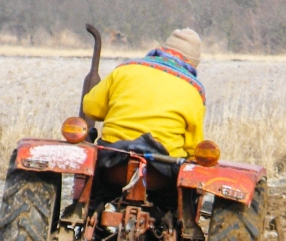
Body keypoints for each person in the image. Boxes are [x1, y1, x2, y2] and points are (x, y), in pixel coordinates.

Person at [81, 28, 205, 163]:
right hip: (163, 166)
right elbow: (193, 147)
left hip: (111, 157)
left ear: (161, 50)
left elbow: (90, 108)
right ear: (193, 64)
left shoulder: (124, 69)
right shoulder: (194, 90)